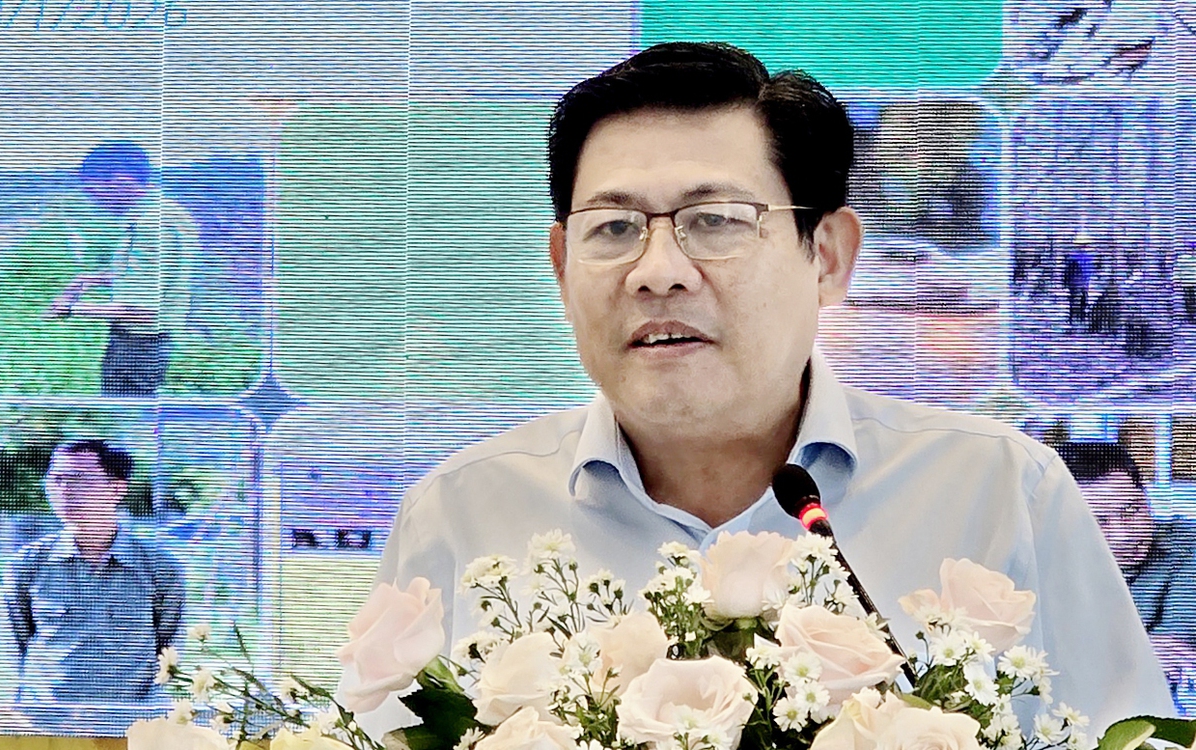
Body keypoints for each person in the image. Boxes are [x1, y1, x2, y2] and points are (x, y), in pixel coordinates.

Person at [375, 42, 1172, 731]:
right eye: (613, 229)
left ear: (827, 255)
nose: (658, 272)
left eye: (715, 220)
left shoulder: (1003, 494)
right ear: (560, 266)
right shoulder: (459, 515)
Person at [2, 440, 185, 704]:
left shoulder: (159, 568)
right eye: (56, 480)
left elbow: (170, 653)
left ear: (117, 489)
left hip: (131, 720)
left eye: (78, 480)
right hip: (45, 719)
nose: (64, 491)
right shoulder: (27, 565)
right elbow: (14, 649)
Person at [44, 142, 198, 397]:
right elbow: (156, 277)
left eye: (94, 192)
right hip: (151, 342)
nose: (96, 202)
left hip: (139, 346)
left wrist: (70, 309)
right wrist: (93, 279)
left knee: (125, 412)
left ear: (120, 180)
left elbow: (142, 312)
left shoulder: (150, 226)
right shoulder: (169, 212)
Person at [1057, 441, 1196, 702]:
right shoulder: (1038, 565)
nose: (1123, 535)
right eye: (1099, 521)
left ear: (1146, 497)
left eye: (1131, 510)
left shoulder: (1187, 548)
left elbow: (1174, 653)